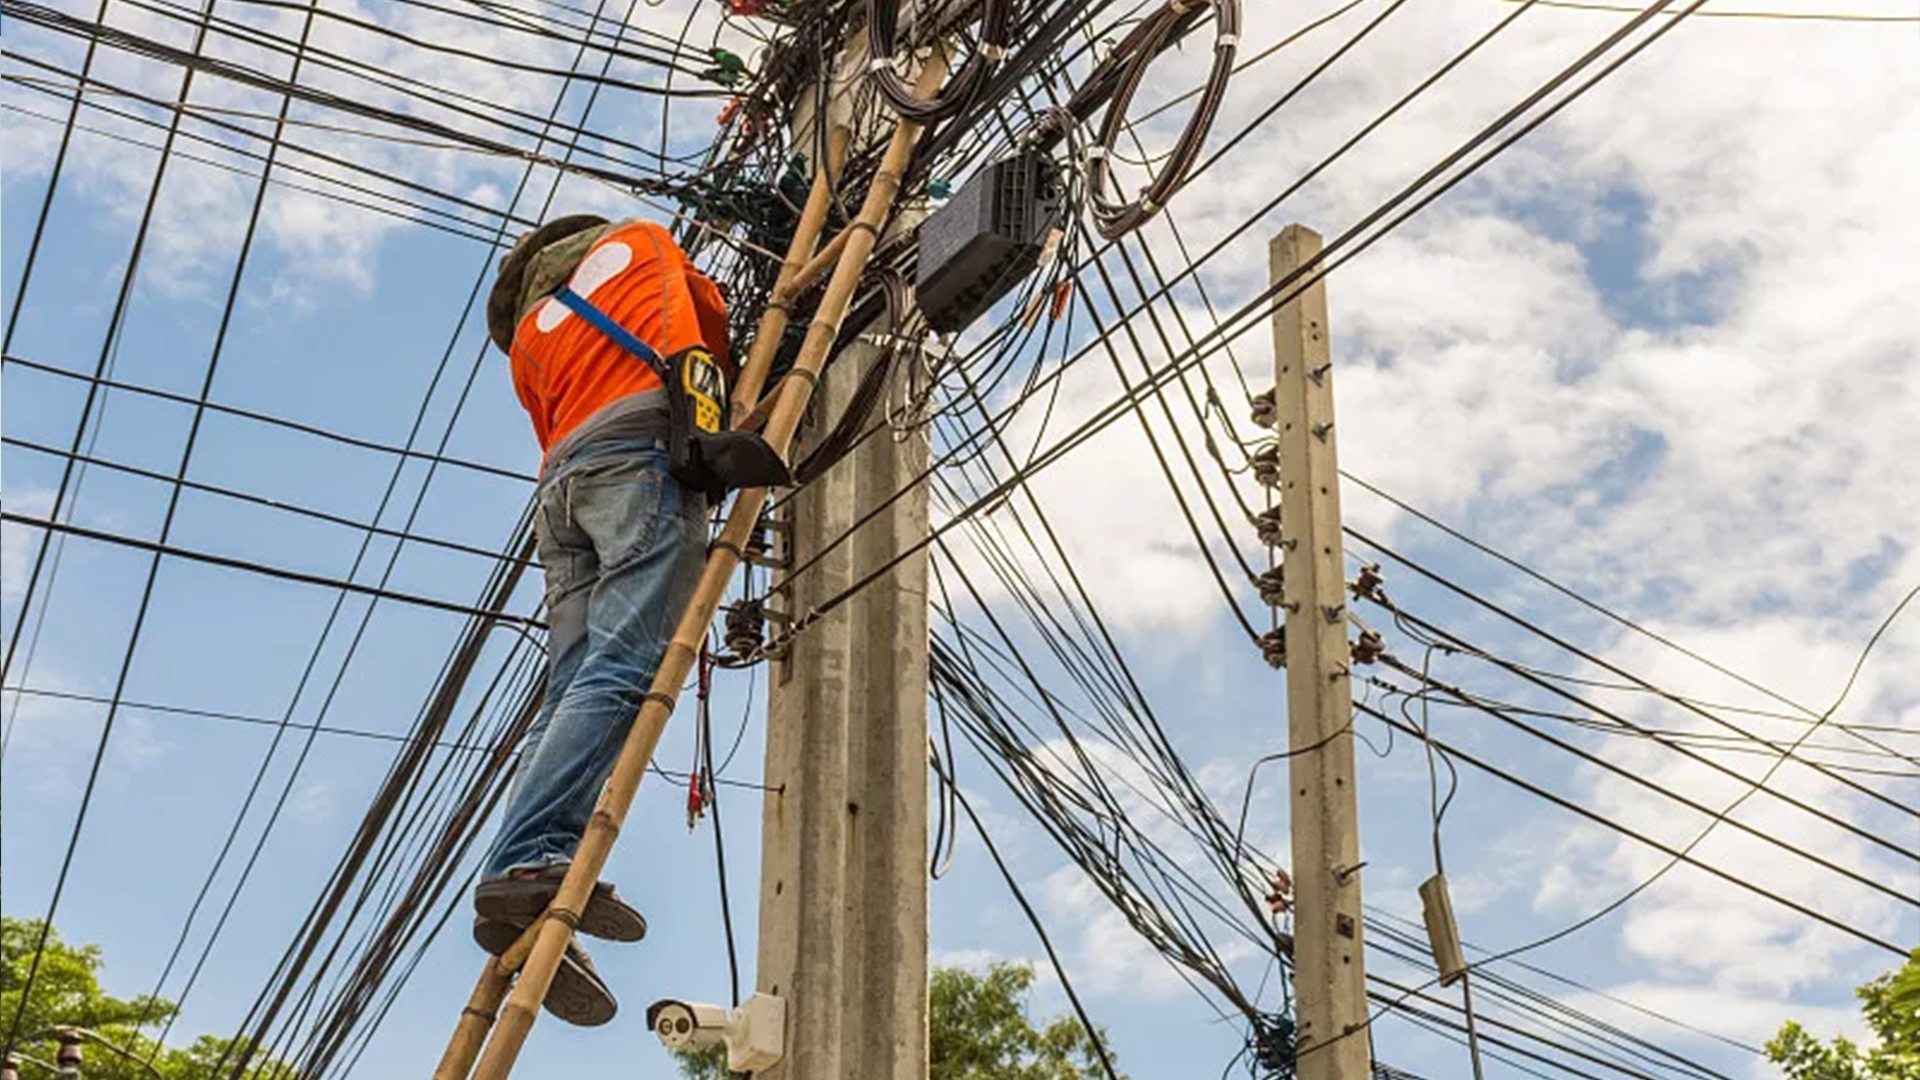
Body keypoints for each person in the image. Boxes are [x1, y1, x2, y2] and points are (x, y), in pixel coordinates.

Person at [475, 215, 736, 1026]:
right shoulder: (641, 242)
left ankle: (529, 864)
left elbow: (552, 421)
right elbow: (713, 324)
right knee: (627, 664)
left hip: (563, 488)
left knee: (576, 681)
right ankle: (527, 862)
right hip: (637, 453)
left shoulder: (527, 339)